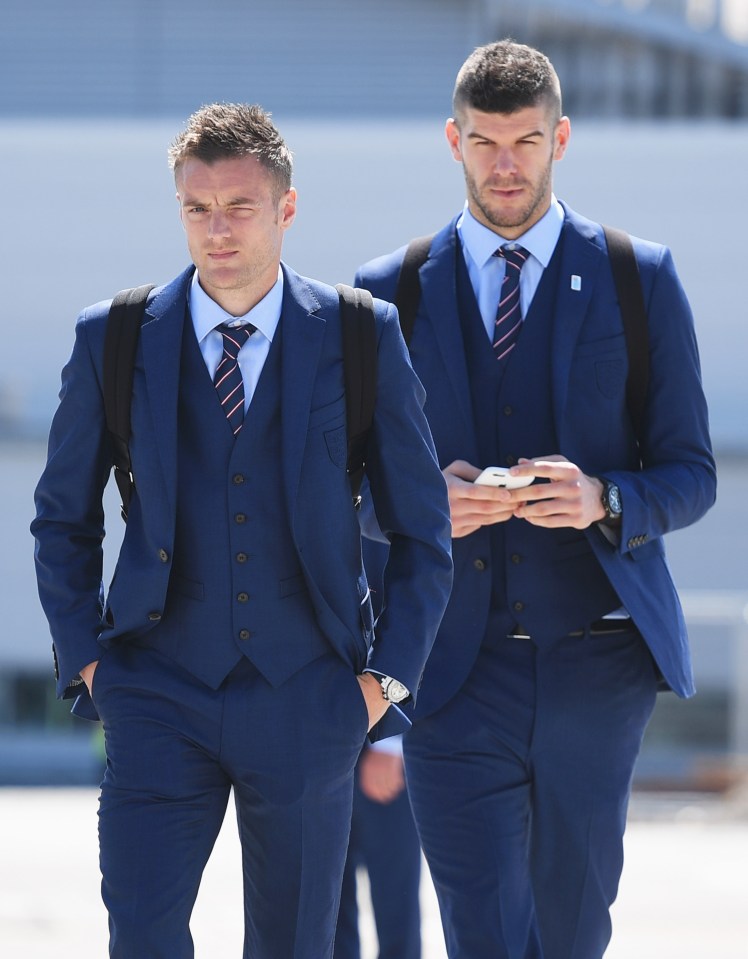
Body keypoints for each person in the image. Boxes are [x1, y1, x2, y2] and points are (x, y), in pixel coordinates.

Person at [31, 102, 452, 959]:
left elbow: (423, 531)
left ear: (286, 208)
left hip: (311, 697)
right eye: (197, 209)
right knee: (142, 936)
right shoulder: (112, 338)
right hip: (153, 692)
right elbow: (61, 518)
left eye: (239, 207)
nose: (216, 230)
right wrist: (91, 662)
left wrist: (384, 687)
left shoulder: (360, 336)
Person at [355, 40, 716, 959]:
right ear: (453, 140)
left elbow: (690, 473)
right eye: (484, 142)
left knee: (570, 932)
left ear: (560, 137)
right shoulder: (382, 296)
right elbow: (335, 490)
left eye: (524, 141)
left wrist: (603, 497)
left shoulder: (642, 279)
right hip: (448, 672)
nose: (505, 164)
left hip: (598, 665)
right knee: (480, 934)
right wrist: (417, 504)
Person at [334, 737, 422, 959]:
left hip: (380, 737)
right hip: (318, 741)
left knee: (395, 896)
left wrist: (389, 743)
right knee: (327, 902)